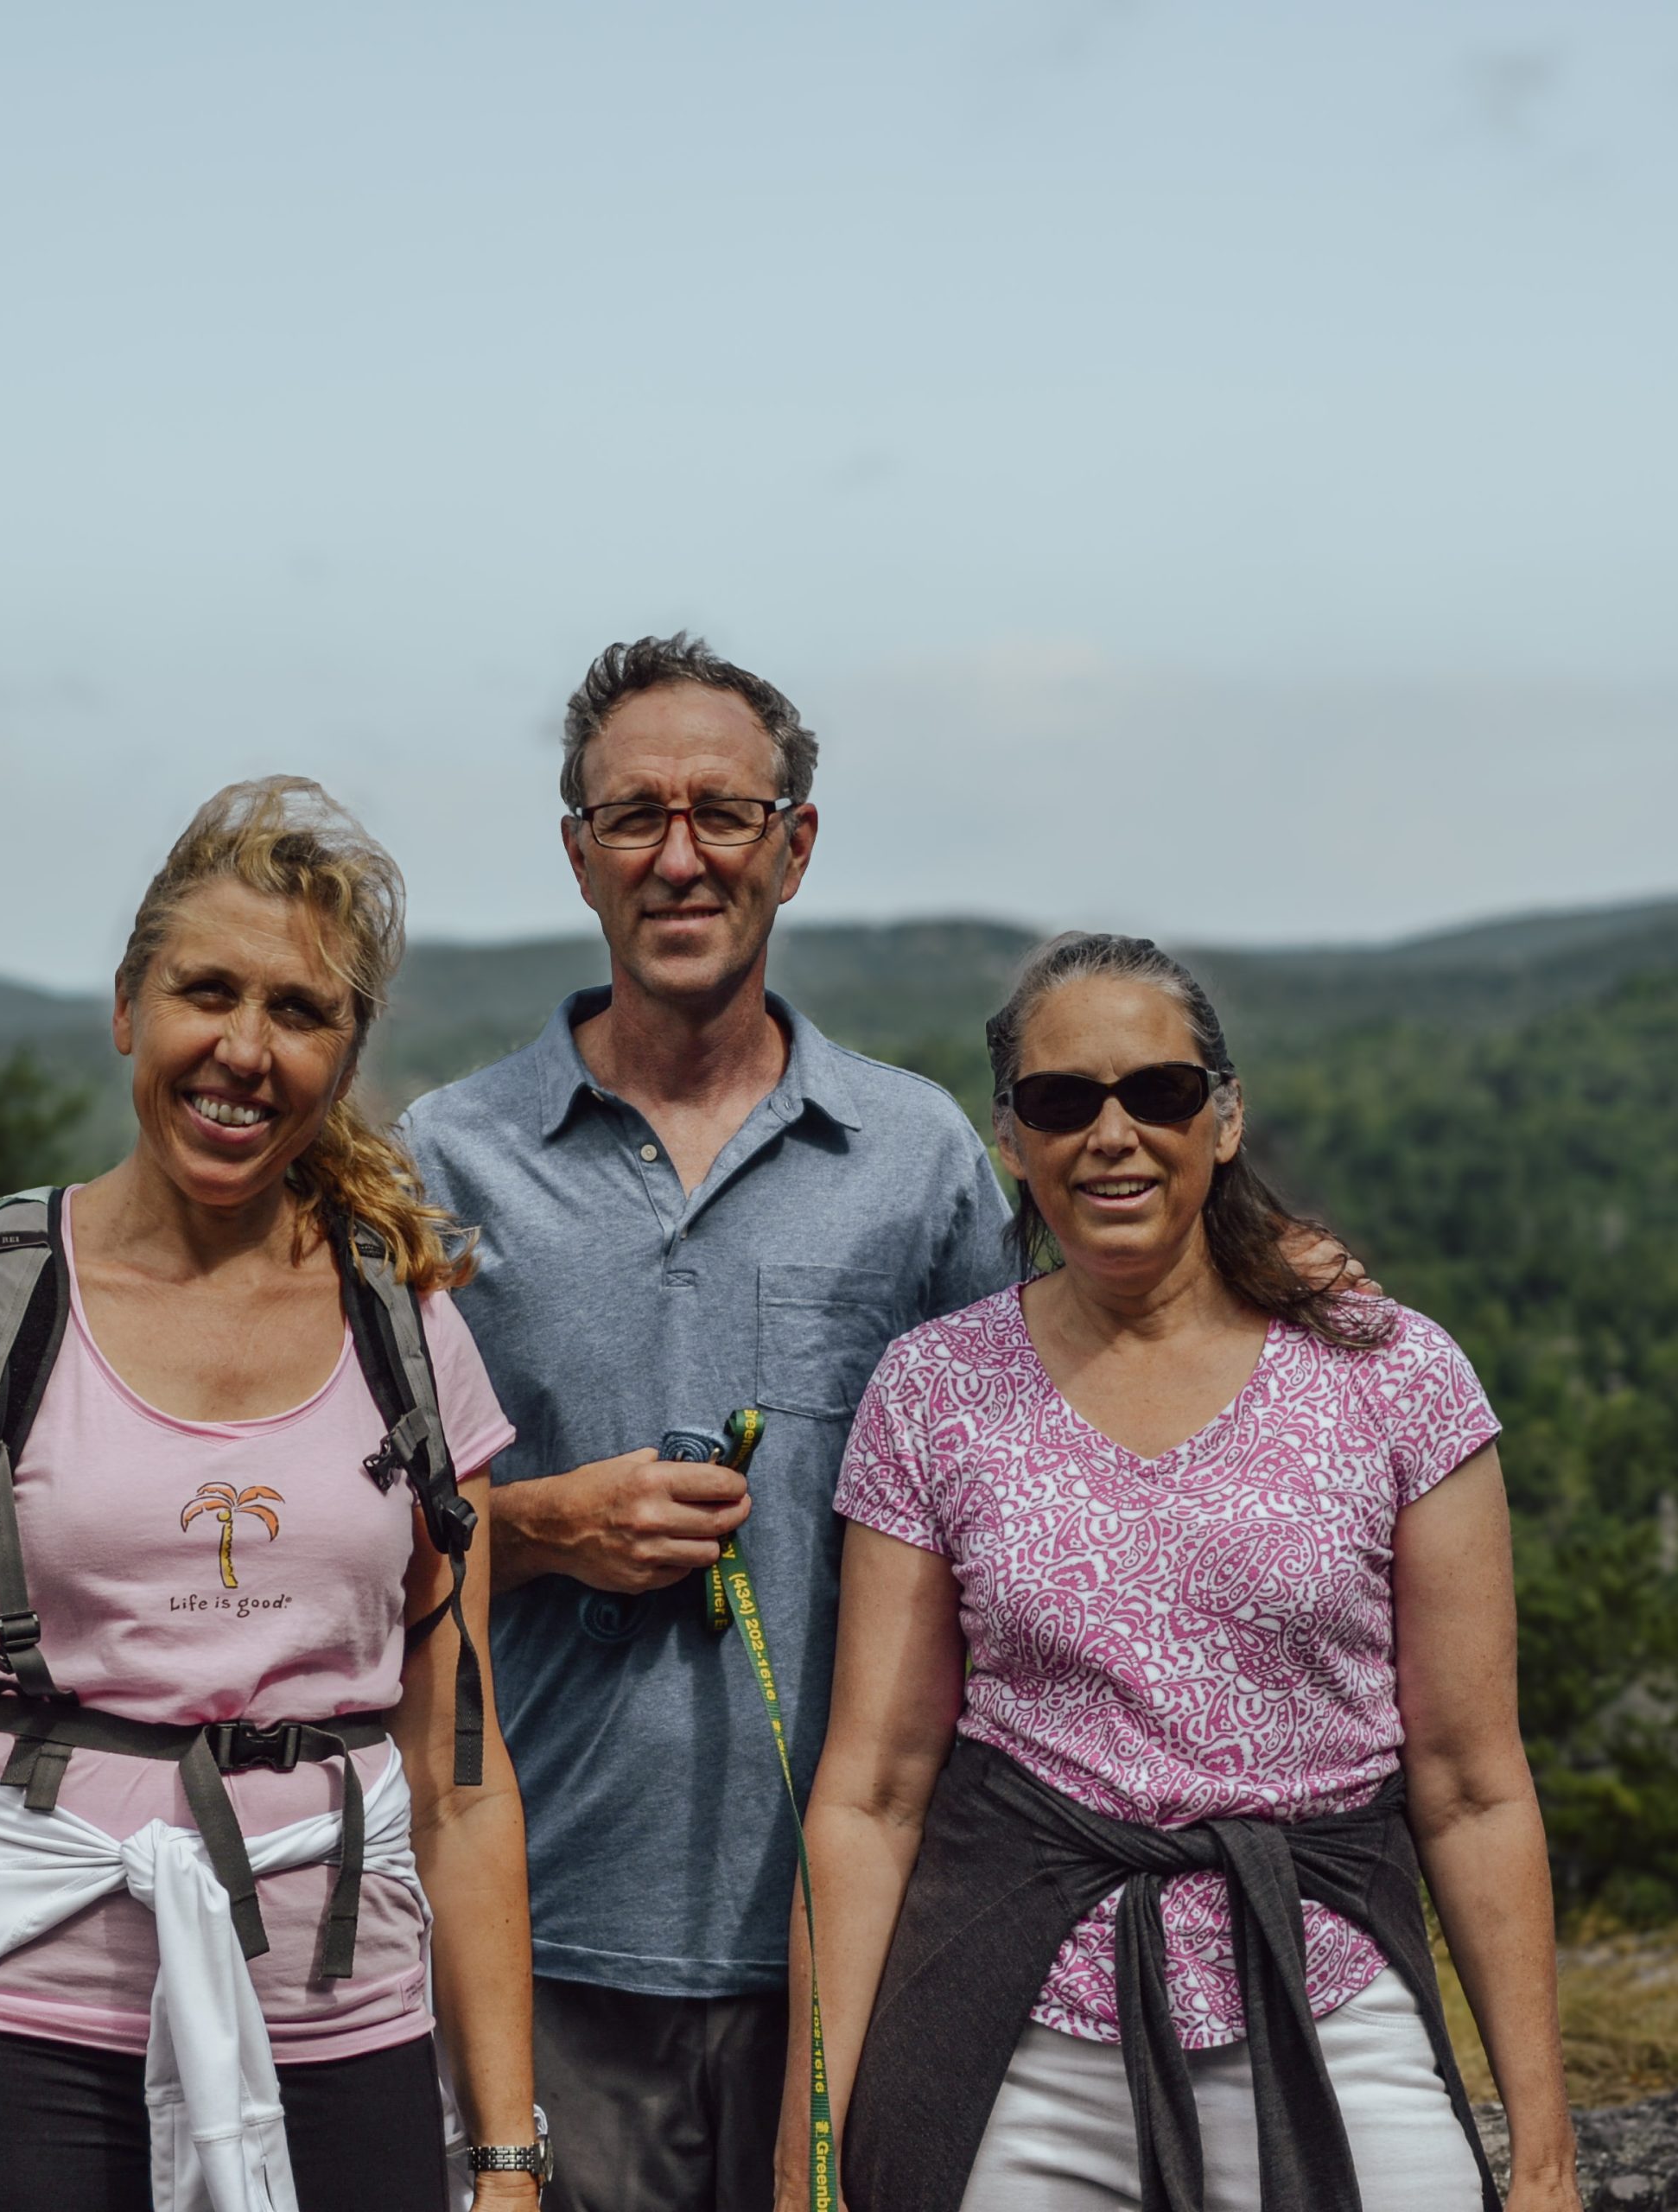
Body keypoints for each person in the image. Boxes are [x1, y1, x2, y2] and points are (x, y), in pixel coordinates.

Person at [0, 779, 546, 2212]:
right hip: (23, 2018)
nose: (244, 1050)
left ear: (344, 1052)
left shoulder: (408, 1330)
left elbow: (462, 1776)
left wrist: (506, 2153)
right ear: (128, 1007)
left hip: (344, 2021)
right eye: (207, 992)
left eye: (299, 1012)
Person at [777, 931, 1580, 2212]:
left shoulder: (1396, 1375)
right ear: (1011, 1138)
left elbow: (1474, 1788)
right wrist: (805, 2159)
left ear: (1225, 1116)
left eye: (1158, 1092)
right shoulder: (933, 1393)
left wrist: (1543, 2164)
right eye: (1062, 1101)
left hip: (1329, 2002)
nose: (1114, 1135)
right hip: (1022, 2027)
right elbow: (872, 1793)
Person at [401, 635, 1015, 2212]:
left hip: (860, 1941)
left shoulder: (917, 1157)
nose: (680, 857)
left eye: (723, 814)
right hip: (539, 1934)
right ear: (578, 855)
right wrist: (539, 1526)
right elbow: (340, 1541)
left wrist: (1272, 1277)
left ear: (793, 847)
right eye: (634, 817)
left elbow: (1034, 1504)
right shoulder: (445, 1162)